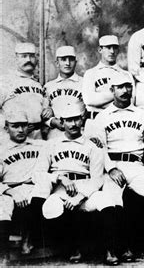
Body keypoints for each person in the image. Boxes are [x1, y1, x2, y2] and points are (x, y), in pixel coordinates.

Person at [94, 71, 144, 262]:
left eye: (128, 86)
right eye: (120, 87)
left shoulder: (141, 114)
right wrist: (110, 168)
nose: (125, 91)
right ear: (112, 90)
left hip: (135, 165)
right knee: (112, 202)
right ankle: (112, 249)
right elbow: (99, 147)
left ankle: (137, 243)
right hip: (113, 165)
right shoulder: (103, 116)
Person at [33, 102, 118, 265]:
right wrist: (59, 178)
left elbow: (97, 178)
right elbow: (37, 174)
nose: (73, 124)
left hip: (86, 189)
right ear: (62, 122)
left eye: (76, 119)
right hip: (61, 189)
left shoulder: (93, 145)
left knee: (107, 201)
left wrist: (80, 196)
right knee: (50, 209)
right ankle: (73, 248)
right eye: (68, 120)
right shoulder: (51, 145)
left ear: (82, 119)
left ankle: (110, 250)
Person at [0, 109, 45, 256]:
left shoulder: (40, 145)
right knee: (3, 206)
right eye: (15, 126)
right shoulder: (2, 150)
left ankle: (27, 240)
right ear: (6, 127)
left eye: (24, 125)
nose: (20, 130)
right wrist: (11, 191)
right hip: (8, 189)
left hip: (31, 187)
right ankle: (3, 252)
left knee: (35, 195)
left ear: (29, 126)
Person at [82, 35, 134, 138]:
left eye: (115, 48)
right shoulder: (91, 73)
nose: (112, 51)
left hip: (118, 122)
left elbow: (131, 101)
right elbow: (89, 99)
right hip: (94, 121)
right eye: (108, 47)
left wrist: (101, 98)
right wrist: (119, 94)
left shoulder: (126, 75)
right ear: (100, 49)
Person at [0, 43, 51, 140]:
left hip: (36, 136)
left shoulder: (38, 85)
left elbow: (44, 110)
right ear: (16, 59)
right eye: (24, 56)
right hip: (12, 139)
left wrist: (49, 110)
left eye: (31, 56)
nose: (28, 60)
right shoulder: (4, 82)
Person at [44, 46, 84, 140]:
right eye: (63, 59)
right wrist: (52, 121)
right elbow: (43, 115)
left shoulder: (84, 82)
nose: (67, 63)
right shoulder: (49, 86)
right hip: (56, 134)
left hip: (79, 133)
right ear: (57, 63)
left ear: (75, 62)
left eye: (71, 59)